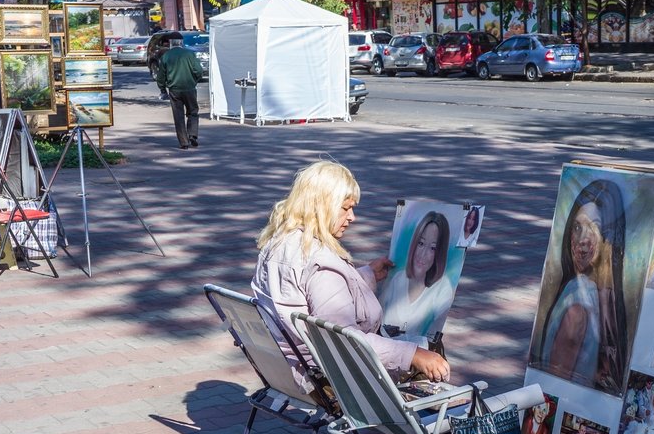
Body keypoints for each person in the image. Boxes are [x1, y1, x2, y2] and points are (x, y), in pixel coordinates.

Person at [252, 161, 449, 392]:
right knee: (430, 350)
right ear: (321, 206)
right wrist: (413, 355)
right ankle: (426, 424)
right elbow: (346, 340)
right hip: (331, 376)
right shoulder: (319, 262)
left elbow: (313, 296)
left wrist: (367, 275)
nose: (352, 217)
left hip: (285, 367)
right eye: (345, 208)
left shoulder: (277, 244)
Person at [533, 179, 627, 393]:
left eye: (594, 227)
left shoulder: (598, 297)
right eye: (577, 227)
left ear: (610, 239)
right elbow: (553, 389)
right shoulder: (578, 303)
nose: (583, 239)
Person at [379, 211, 455, 344]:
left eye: (432, 248)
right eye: (420, 243)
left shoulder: (442, 288)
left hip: (414, 358)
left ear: (439, 253)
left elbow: (433, 339)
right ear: (414, 244)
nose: (423, 254)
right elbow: (375, 318)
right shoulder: (398, 278)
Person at [156, 38, 203, 149]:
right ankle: (193, 135)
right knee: (193, 112)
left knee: (178, 116)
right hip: (189, 88)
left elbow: (161, 75)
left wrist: (162, 89)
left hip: (174, 90)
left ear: (171, 44)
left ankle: (183, 142)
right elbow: (198, 71)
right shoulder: (189, 54)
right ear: (181, 43)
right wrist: (194, 81)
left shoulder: (166, 56)